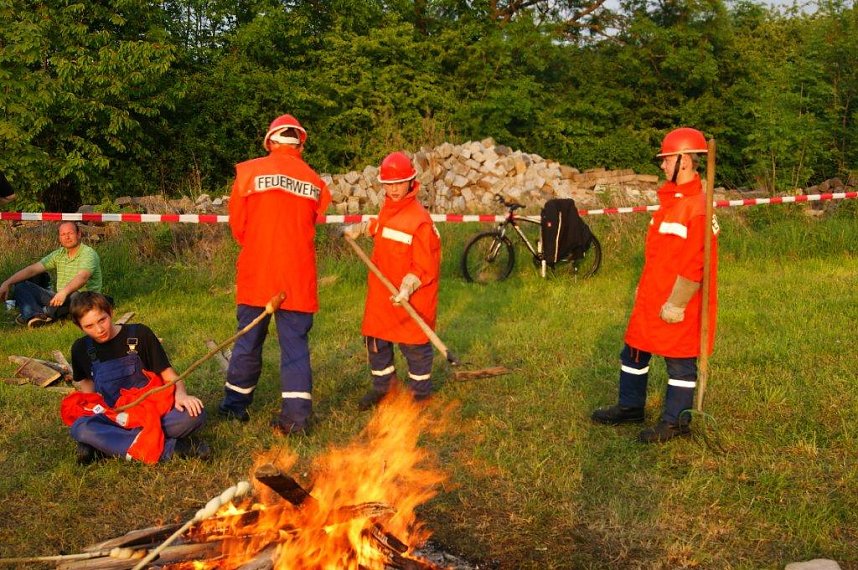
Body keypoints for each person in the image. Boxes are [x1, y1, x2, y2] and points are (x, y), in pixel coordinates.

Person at [591, 127, 719, 443]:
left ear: (684, 160)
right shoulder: (670, 202)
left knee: (679, 361)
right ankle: (631, 407)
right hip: (652, 294)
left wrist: (676, 303)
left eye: (666, 160)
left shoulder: (699, 208)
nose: (661, 166)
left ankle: (676, 422)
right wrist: (645, 290)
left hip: (677, 300)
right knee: (633, 352)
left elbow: (696, 263)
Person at [218, 113, 331, 435]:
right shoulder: (314, 181)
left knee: (248, 341)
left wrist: (258, 245)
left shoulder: (248, 172)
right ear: (300, 144)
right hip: (297, 276)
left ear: (270, 141)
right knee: (294, 346)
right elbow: (313, 222)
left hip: (258, 271)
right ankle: (296, 419)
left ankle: (234, 407)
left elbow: (238, 226)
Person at [343, 151, 442, 410]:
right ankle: (384, 389)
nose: (394, 189)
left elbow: (426, 264)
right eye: (389, 184)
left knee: (414, 347)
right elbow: (385, 229)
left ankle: (420, 395)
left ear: (411, 182)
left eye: (399, 183)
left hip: (412, 295)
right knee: (375, 340)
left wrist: (408, 286)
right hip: (382, 291)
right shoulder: (389, 207)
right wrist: (364, 228)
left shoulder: (420, 220)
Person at [63, 292, 208, 464]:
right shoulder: (81, 349)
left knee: (193, 415)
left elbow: (170, 376)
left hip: (154, 411)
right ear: (79, 327)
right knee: (80, 428)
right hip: (118, 418)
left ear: (110, 312)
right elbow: (89, 393)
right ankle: (172, 449)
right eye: (89, 326)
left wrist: (182, 395)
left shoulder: (140, 334)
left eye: (102, 320)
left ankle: (107, 445)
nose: (99, 330)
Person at [0, 221, 102, 328]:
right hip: (60, 298)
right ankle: (36, 316)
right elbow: (32, 270)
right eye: (63, 234)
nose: (67, 237)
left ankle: (41, 313)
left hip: (84, 299)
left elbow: (83, 277)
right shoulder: (59, 254)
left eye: (70, 233)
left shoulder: (88, 253)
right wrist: (7, 282)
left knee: (75, 295)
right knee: (21, 286)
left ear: (79, 234)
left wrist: (64, 292)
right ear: (59, 238)